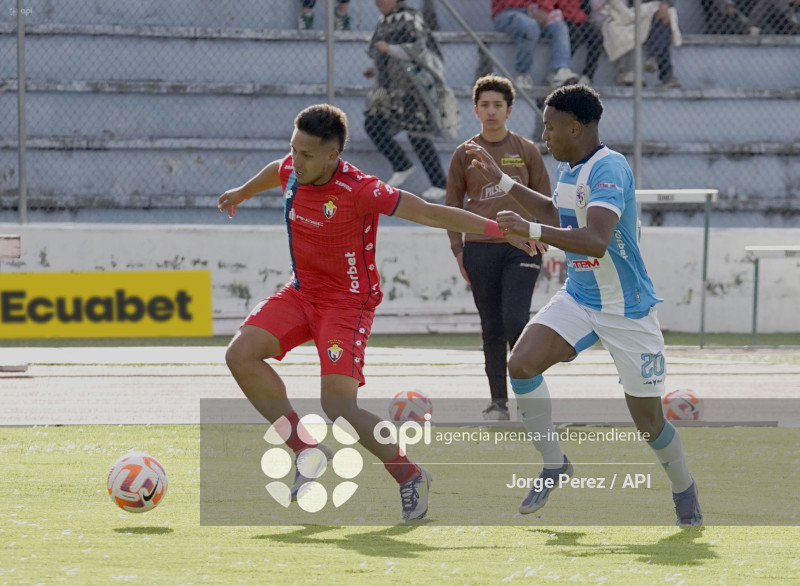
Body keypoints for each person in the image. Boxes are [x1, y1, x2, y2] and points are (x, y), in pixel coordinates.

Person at [217, 103, 525, 522]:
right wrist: (242, 191)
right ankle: (306, 450)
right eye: (294, 149)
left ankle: (409, 474)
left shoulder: (361, 189)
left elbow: (430, 212)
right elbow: (278, 168)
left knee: (338, 405)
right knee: (239, 354)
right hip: (301, 291)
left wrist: (497, 229)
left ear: (333, 156)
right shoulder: (294, 166)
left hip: (347, 303)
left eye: (307, 155)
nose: (296, 161)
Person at [466, 84, 703, 526]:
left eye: (550, 127)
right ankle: (554, 463)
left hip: (627, 309)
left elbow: (595, 237)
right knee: (520, 365)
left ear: (575, 127)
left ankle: (683, 487)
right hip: (579, 296)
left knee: (649, 423)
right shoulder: (570, 167)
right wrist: (502, 182)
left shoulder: (609, 167)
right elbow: (560, 217)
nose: (544, 136)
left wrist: (531, 232)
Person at [445, 75, 551, 421]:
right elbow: (452, 203)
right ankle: (498, 403)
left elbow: (545, 201)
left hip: (521, 248)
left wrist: (543, 237)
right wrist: (458, 248)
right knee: (491, 325)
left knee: (515, 320)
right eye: (485, 105)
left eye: (498, 105)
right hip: (479, 248)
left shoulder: (526, 150)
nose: (491, 112)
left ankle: (530, 400)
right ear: (475, 110)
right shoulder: (464, 153)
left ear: (510, 110)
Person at [363, 0, 457, 202]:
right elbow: (379, 50)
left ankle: (440, 183)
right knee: (373, 123)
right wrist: (377, 68)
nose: (378, 2)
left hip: (413, 87)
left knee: (418, 134)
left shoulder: (410, 16)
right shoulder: (383, 21)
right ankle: (402, 165)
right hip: (390, 90)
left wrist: (390, 50)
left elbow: (420, 48)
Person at [491, 0, 580, 89]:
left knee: (559, 27)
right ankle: (523, 74)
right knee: (530, 27)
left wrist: (544, 9)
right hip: (507, 12)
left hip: (533, 10)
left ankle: (562, 70)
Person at [599, 0, 682, 88]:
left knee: (662, 22)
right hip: (630, 12)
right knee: (659, 26)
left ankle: (655, 61)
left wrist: (664, 4)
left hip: (651, 11)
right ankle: (666, 75)